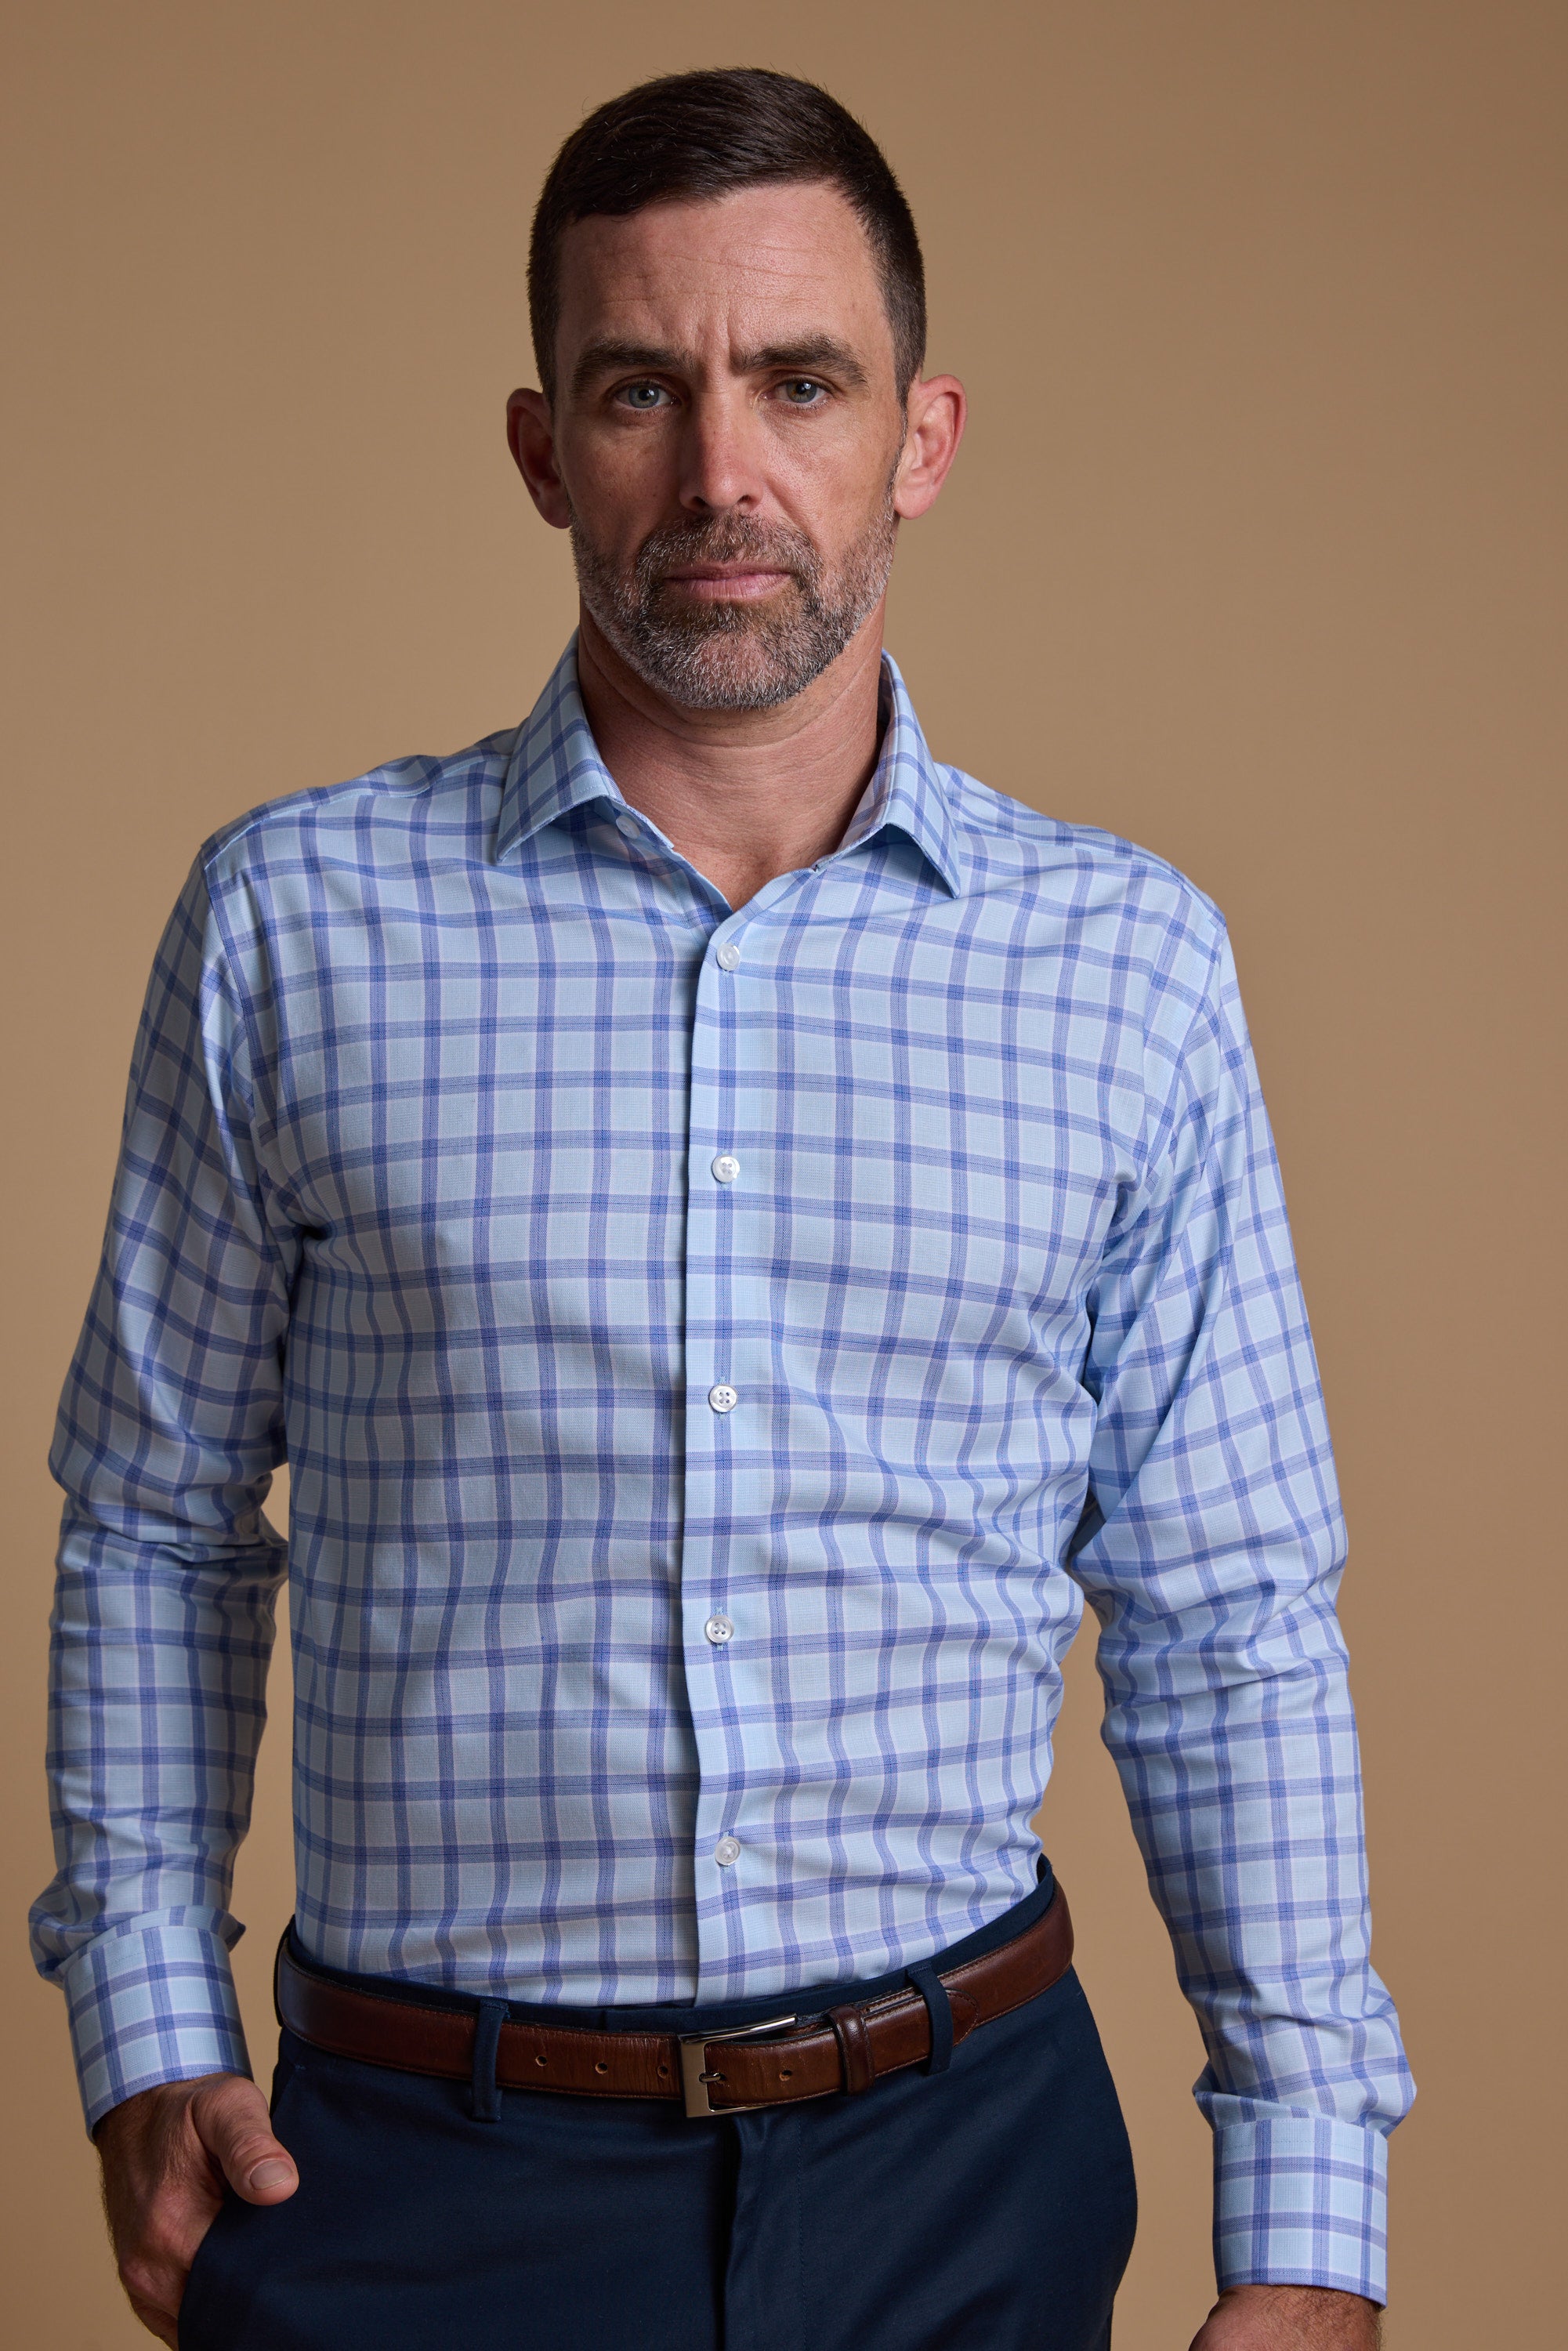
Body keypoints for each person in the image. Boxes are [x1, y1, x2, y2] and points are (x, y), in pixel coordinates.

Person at [31, 67, 1411, 2351]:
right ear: (538, 447)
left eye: (799, 381)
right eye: (638, 390)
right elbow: (161, 1518)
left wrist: (1305, 2204)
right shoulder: (293, 924)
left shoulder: (1128, 968)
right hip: (412, 2183)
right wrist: (147, 2018)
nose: (720, 471)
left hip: (963, 2169)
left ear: (921, 435)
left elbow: (1228, 1612)